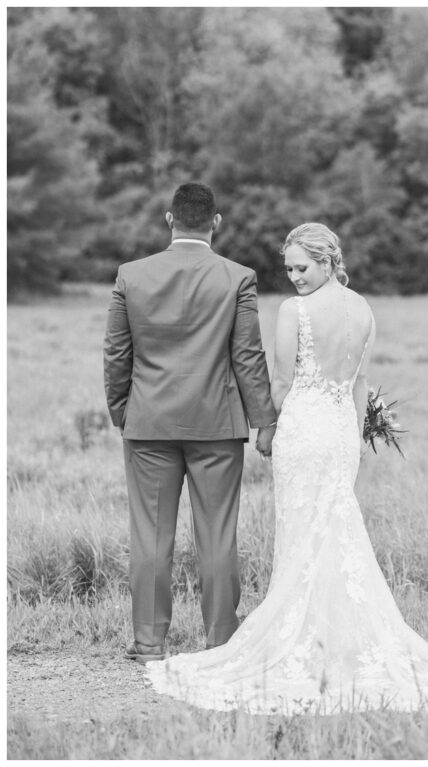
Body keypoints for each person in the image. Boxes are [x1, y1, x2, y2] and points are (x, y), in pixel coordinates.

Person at [145, 223, 428, 713]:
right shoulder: (364, 310)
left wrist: (267, 431)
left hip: (304, 430)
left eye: (302, 267)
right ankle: (333, 638)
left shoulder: (295, 312)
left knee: (302, 531)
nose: (294, 277)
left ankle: (307, 639)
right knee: (331, 530)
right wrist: (353, 441)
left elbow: (282, 380)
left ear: (328, 260)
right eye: (289, 269)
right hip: (338, 433)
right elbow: (359, 386)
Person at [103, 182, 277, 664]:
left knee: (150, 536)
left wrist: (124, 412)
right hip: (217, 426)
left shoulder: (131, 275)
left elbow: (117, 353)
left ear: (168, 219)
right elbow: (247, 356)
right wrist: (265, 421)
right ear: (216, 222)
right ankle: (220, 642)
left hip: (148, 423)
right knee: (218, 535)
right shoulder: (238, 277)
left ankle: (149, 643)